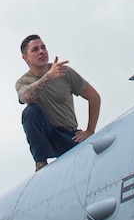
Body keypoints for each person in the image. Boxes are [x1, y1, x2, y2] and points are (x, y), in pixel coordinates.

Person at [15, 35, 100, 170]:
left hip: (69, 136)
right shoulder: (23, 82)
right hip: (47, 135)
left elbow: (94, 97)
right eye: (35, 50)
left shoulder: (64, 72)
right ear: (25, 58)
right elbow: (26, 97)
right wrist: (48, 77)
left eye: (43, 47)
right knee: (31, 111)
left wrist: (90, 130)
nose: (42, 52)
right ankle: (40, 162)